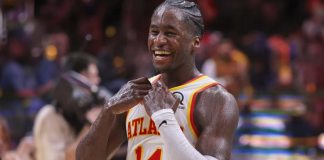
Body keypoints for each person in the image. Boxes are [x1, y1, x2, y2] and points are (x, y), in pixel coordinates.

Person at [76, 0, 239, 160]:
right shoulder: (135, 93)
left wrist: (163, 117)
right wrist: (108, 109)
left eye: (170, 33)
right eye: (154, 32)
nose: (159, 41)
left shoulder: (214, 98)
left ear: (195, 42)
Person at [33, 53, 110, 160]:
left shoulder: (79, 115)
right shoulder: (50, 116)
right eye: (94, 76)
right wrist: (90, 127)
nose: (98, 81)